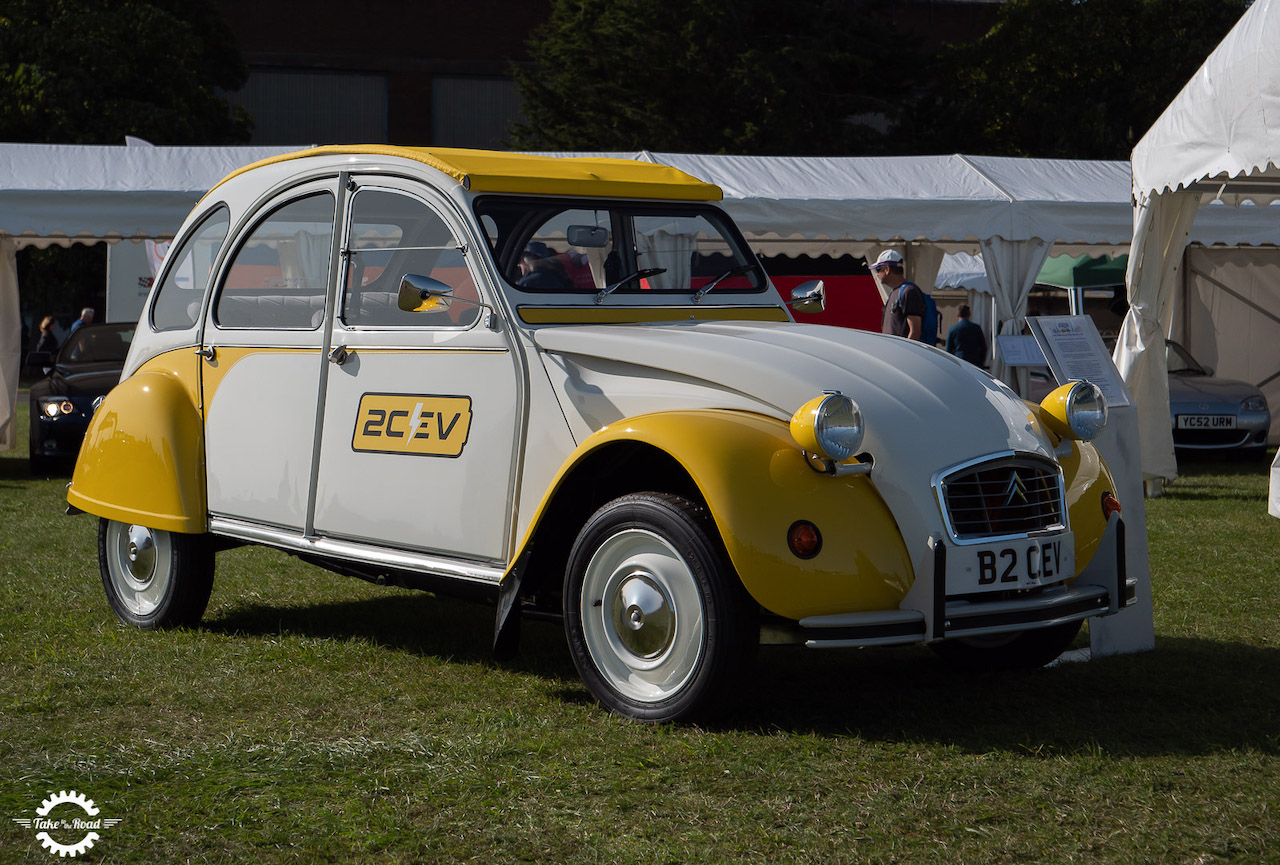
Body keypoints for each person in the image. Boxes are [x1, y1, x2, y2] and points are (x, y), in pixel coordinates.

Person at [875, 250, 925, 340]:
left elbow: (915, 331)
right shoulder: (895, 292)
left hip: (902, 353)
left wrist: (904, 353)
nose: (877, 274)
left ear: (887, 270)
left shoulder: (909, 291)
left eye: (878, 269)